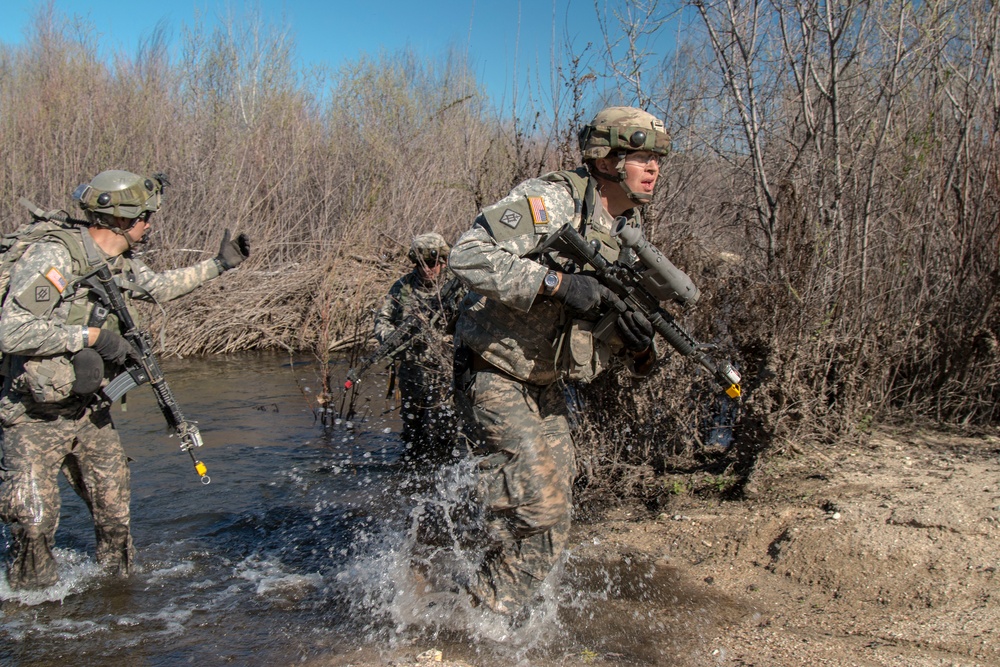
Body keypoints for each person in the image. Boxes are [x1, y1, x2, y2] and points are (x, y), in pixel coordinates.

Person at [448, 107, 676, 616]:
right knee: (540, 510)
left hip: (545, 384)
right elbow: (466, 254)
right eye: (641, 156)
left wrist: (637, 344)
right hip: (494, 370)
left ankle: (483, 602)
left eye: (657, 158)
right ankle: (480, 625)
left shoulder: (624, 232)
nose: (653, 168)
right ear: (608, 158)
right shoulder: (553, 199)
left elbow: (603, 334)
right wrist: (555, 283)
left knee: (556, 513)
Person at [0, 169, 250, 590]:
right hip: (33, 416)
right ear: (119, 218)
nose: (149, 225)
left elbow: (159, 287)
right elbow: (10, 330)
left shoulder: (117, 263)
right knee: (33, 523)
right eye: (144, 217)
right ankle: (31, 615)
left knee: (115, 514)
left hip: (89, 411)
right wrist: (91, 336)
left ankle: (118, 598)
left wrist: (219, 265)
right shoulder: (56, 258)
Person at [374, 233, 464, 470]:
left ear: (443, 261)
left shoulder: (456, 287)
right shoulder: (403, 288)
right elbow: (382, 320)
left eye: (433, 264)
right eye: (421, 264)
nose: (428, 270)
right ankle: (412, 482)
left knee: (444, 435)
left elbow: (470, 323)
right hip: (411, 373)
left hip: (446, 374)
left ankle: (442, 481)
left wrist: (444, 340)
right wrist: (395, 338)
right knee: (413, 436)